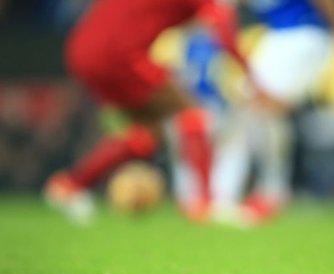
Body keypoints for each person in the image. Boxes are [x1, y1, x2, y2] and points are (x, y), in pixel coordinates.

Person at [43, 0, 247, 223]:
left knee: (147, 133)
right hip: (120, 54)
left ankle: (70, 185)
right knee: (191, 112)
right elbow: (223, 28)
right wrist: (248, 71)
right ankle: (205, 204)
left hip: (82, 50)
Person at [208, 0, 334, 225]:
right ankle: (270, 192)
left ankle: (226, 196)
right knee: (264, 113)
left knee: (250, 110)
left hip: (303, 37)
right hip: (280, 38)